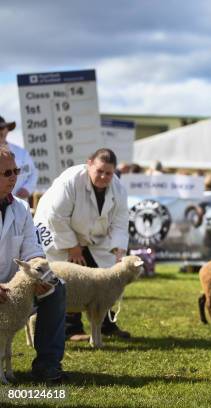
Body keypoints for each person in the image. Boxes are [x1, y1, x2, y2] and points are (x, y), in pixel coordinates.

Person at [33, 148, 130, 341]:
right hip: (56, 230)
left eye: (108, 173)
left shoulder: (118, 189)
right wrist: (72, 246)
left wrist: (119, 249)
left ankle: (106, 325)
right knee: (70, 279)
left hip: (92, 236)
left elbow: (120, 221)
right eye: (99, 171)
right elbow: (56, 216)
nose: (103, 176)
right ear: (89, 164)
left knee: (104, 279)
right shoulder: (70, 180)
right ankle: (71, 328)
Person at [0, 146, 66, 383]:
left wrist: (37, 278)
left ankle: (47, 365)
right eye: (7, 173)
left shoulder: (21, 208)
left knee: (57, 288)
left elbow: (33, 251)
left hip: (15, 285)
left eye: (15, 171)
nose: (14, 177)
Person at [0, 116, 38, 200]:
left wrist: (27, 188)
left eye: (2, 128)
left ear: (7, 130)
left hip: (19, 202)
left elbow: (33, 172)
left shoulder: (21, 152)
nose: (0, 131)